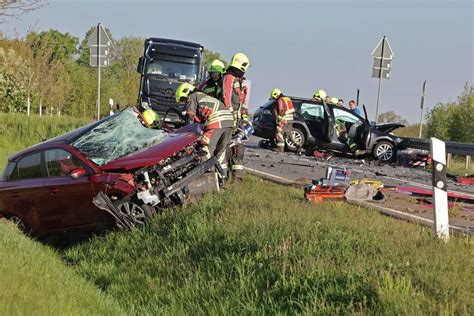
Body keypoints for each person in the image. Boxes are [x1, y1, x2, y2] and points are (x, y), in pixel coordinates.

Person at [175, 83, 234, 176]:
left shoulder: (192, 96)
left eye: (183, 99)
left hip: (216, 122)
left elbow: (190, 117)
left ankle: (208, 176)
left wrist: (186, 135)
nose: (185, 102)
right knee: (220, 152)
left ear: (187, 92)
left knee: (206, 149)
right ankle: (222, 177)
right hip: (229, 122)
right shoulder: (204, 97)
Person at [222, 52, 250, 180]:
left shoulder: (239, 81)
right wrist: (229, 115)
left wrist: (244, 117)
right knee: (227, 147)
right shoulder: (229, 77)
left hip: (237, 121)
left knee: (239, 148)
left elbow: (241, 102)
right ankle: (225, 177)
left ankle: (237, 179)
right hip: (229, 120)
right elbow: (226, 97)